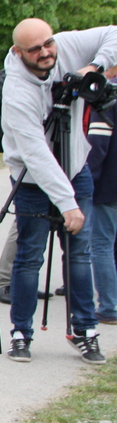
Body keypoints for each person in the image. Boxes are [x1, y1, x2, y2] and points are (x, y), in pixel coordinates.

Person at [1, 19, 117, 364]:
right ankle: (21, 332)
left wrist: (95, 66)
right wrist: (68, 204)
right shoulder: (17, 92)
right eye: (34, 49)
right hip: (32, 180)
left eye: (48, 44)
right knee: (29, 256)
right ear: (18, 52)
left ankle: (85, 330)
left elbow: (113, 32)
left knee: (80, 255)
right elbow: (37, 154)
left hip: (76, 168)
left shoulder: (64, 47)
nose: (45, 53)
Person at [86, 84, 117, 327]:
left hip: (107, 185)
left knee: (101, 246)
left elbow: (97, 147)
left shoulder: (106, 102)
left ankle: (109, 306)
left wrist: (89, 182)